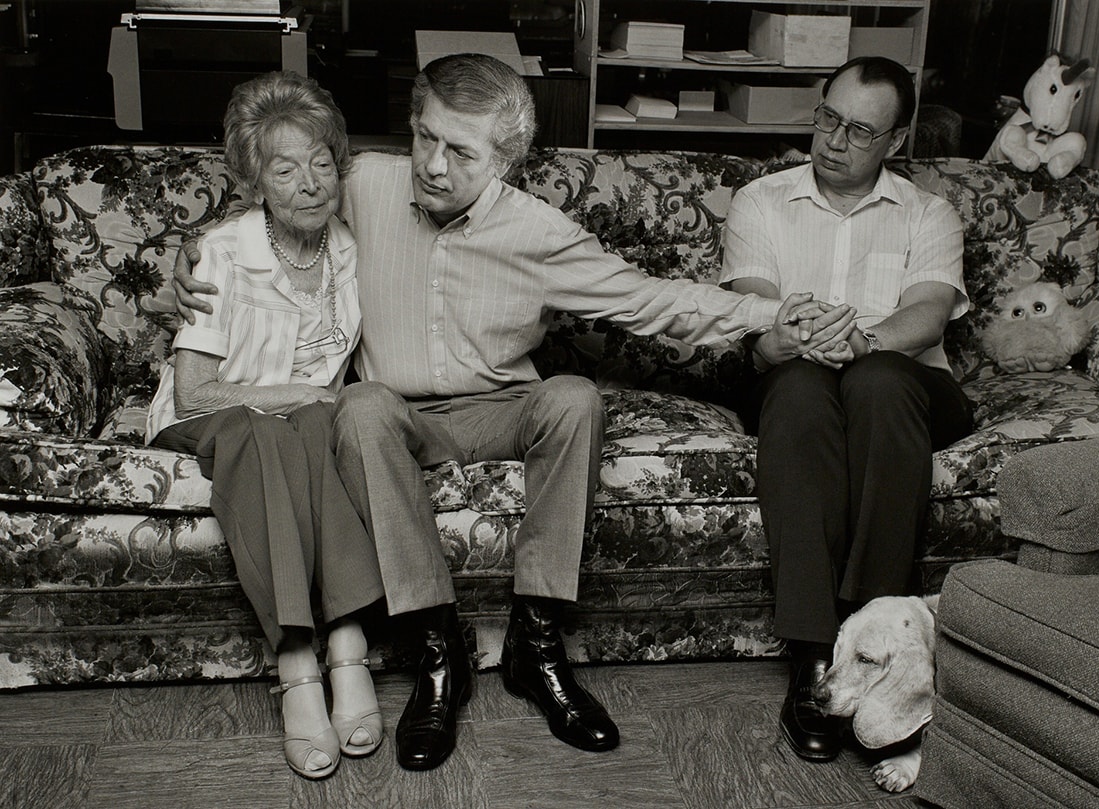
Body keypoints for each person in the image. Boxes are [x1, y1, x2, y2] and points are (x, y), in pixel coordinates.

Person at [174, 53, 817, 771]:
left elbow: (654, 300)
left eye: (461, 151)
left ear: (506, 161)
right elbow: (278, 194)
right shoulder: (366, 183)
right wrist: (196, 256)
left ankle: (535, 644)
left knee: (573, 396)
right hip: (399, 415)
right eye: (424, 137)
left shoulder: (540, 232)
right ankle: (437, 649)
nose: (433, 166)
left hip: (503, 408)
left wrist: (772, 313)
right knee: (358, 407)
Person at [719, 56, 975, 763]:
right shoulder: (761, 201)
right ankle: (815, 658)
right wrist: (790, 336)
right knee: (801, 388)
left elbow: (925, 312)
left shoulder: (929, 212)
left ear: (895, 142)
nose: (834, 140)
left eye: (860, 130)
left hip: (907, 387)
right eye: (828, 118)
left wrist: (867, 340)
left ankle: (876, 641)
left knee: (879, 381)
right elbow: (755, 300)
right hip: (796, 375)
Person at [147, 71, 385, 780]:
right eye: (286, 169)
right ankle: (297, 664)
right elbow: (193, 395)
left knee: (310, 429)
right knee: (272, 424)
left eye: (321, 164)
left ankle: (347, 647)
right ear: (255, 182)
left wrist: (314, 401)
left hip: (296, 426)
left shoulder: (347, 248)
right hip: (212, 421)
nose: (310, 183)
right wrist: (304, 392)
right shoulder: (221, 254)